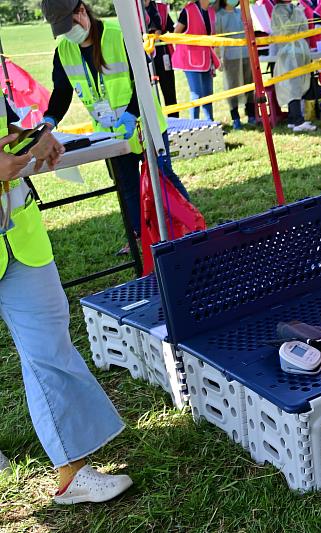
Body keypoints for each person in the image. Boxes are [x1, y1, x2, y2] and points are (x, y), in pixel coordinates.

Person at [0, 93, 133, 504]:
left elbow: (8, 134)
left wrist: (33, 140)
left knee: (50, 348)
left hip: (19, 237)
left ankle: (70, 473)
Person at [41, 0, 191, 251]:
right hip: (109, 136)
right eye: (62, 29)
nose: (69, 33)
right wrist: (49, 121)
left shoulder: (119, 36)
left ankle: (188, 229)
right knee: (128, 187)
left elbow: (143, 77)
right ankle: (141, 239)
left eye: (70, 25)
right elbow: (62, 92)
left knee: (163, 177)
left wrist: (132, 114)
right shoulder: (64, 51)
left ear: (81, 11)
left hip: (144, 123)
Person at [271, 0, 316, 132]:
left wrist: (298, 12)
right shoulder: (278, 10)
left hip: (300, 52)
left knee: (299, 84)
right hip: (287, 53)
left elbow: (304, 28)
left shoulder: (294, 8)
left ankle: (292, 118)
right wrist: (297, 13)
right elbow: (288, 28)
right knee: (292, 85)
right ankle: (297, 121)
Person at [174, 0, 220, 121]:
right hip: (190, 60)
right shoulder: (188, 11)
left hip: (206, 59)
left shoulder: (211, 11)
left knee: (208, 94)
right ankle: (193, 124)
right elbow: (175, 35)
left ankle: (210, 123)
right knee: (197, 94)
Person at [215, 0, 257, 129]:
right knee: (232, 87)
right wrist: (218, 57)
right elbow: (217, 38)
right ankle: (236, 118)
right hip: (230, 57)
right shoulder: (219, 16)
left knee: (249, 85)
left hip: (246, 54)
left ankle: (251, 115)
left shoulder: (241, 13)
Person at [143, 0, 179, 118]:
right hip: (144, 57)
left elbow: (172, 29)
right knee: (150, 95)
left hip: (163, 56)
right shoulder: (135, 10)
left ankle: (174, 122)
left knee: (169, 93)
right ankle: (155, 124)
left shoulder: (161, 8)